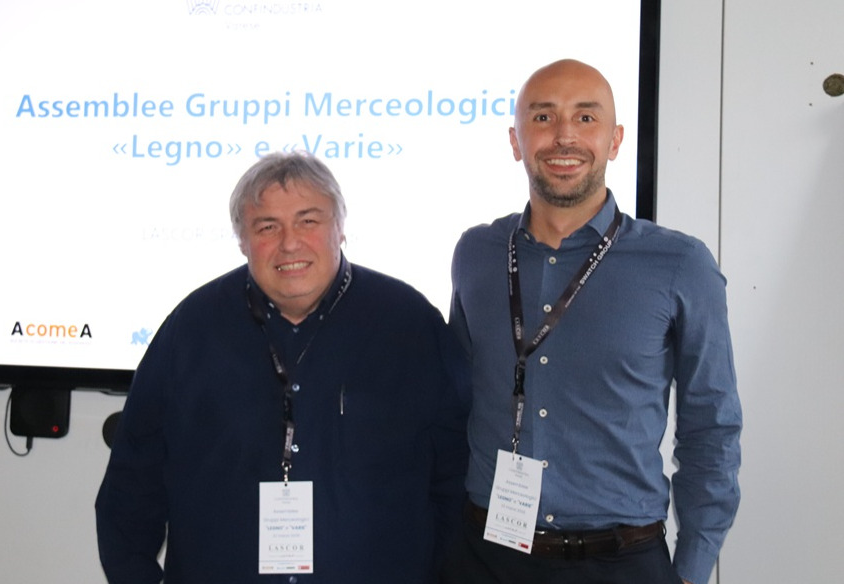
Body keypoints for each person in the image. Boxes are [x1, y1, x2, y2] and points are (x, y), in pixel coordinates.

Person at [96, 151, 469, 583]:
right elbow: (132, 483)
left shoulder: (410, 325)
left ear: (340, 227)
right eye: (267, 227)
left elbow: (455, 476)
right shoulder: (190, 330)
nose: (290, 243)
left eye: (308, 221)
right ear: (242, 240)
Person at [442, 59, 741, 584]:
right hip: (485, 557)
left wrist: (691, 568)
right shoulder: (477, 253)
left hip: (621, 562)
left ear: (615, 139)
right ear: (515, 141)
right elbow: (454, 405)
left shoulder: (680, 264)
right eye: (543, 118)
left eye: (585, 118)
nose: (564, 136)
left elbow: (711, 427)